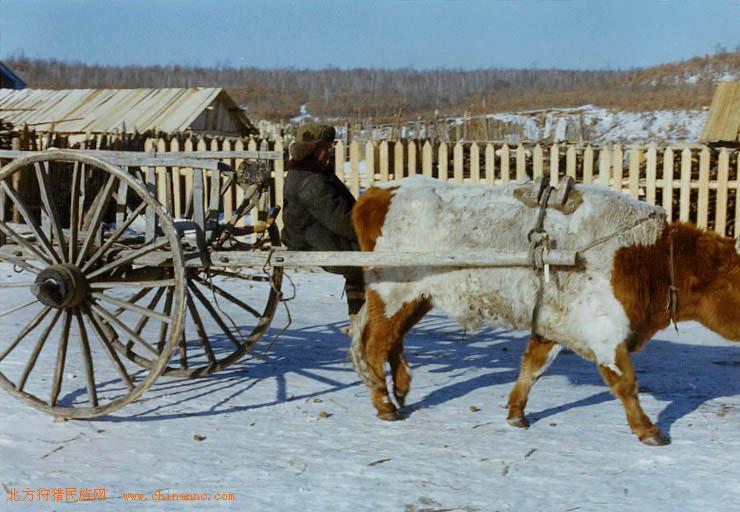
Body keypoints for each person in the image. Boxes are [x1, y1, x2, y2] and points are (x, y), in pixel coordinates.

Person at [281, 123, 364, 332]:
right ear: (317, 149)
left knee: (363, 260)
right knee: (366, 258)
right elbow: (341, 220)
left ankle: (359, 319)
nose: (330, 151)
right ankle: (361, 319)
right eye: (327, 147)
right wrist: (370, 230)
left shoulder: (305, 172)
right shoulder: (312, 181)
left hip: (310, 235)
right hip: (311, 240)